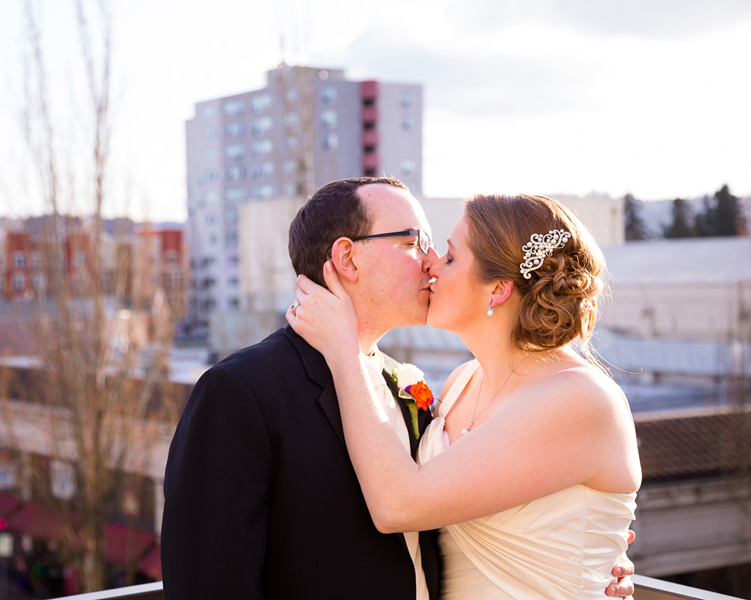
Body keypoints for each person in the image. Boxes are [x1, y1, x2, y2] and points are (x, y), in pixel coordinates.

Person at [161, 179, 636, 599]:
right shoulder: (240, 392)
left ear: (499, 289)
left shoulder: (414, 387)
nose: (432, 262)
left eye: (445, 252)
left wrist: (588, 560)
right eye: (416, 242)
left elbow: (419, 509)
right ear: (347, 257)